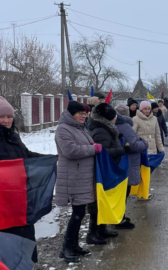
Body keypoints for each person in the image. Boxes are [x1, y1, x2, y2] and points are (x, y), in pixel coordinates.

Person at [54, 101, 101, 263]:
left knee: (80, 212)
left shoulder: (79, 128)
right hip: (72, 177)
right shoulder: (63, 129)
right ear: (72, 113)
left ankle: (73, 245)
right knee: (78, 212)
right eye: (80, 113)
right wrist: (92, 149)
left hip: (83, 176)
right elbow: (71, 150)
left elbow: (85, 144)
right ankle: (65, 248)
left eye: (85, 113)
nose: (84, 115)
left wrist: (92, 144)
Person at [0, 97, 45, 263]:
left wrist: (49, 159)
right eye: (1, 117)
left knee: (25, 237)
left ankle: (24, 263)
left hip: (19, 198)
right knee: (7, 242)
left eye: (9, 116)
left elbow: (26, 157)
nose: (6, 120)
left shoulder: (14, 137)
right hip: (2, 203)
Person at [88, 103, 125, 245]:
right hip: (102, 172)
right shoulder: (102, 131)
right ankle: (92, 233)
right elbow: (103, 153)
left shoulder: (105, 128)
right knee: (98, 202)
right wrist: (122, 150)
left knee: (103, 201)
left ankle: (102, 229)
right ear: (108, 118)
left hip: (106, 170)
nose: (115, 119)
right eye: (113, 117)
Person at [114, 104, 148, 229]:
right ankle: (120, 218)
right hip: (127, 163)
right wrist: (144, 144)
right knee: (124, 192)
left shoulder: (111, 126)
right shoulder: (126, 127)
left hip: (117, 163)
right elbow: (133, 145)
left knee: (119, 192)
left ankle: (118, 217)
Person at [132, 101, 164, 200]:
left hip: (152, 149)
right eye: (145, 109)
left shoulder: (154, 119)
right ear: (141, 109)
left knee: (148, 173)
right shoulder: (135, 119)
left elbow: (157, 134)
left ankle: (144, 192)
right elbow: (132, 134)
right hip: (142, 150)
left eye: (148, 109)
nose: (147, 111)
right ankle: (140, 193)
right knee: (142, 173)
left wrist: (161, 148)